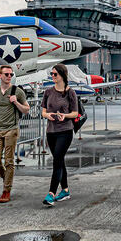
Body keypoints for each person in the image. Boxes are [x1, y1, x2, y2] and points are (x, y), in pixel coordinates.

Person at [0, 65, 30, 203]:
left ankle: (6, 190)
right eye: (6, 74)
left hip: (11, 130)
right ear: (0, 76)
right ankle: (7, 178)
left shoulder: (17, 92)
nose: (9, 76)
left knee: (9, 161)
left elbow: (26, 109)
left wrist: (15, 102)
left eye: (11, 74)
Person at [41, 63, 79, 207]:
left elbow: (75, 113)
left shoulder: (70, 92)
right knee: (60, 160)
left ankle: (51, 193)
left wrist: (65, 115)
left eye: (55, 74)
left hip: (65, 131)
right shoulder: (48, 92)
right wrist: (48, 115)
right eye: (51, 74)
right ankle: (65, 190)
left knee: (57, 161)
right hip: (51, 131)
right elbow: (43, 111)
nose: (52, 76)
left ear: (62, 75)